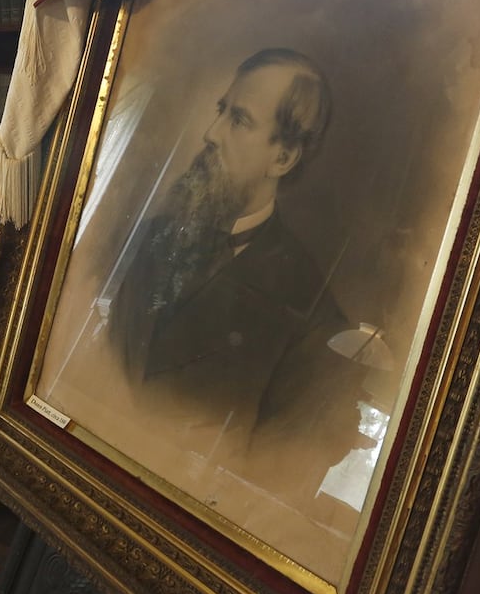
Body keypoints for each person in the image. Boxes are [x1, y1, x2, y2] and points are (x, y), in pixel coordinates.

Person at [108, 49, 361, 477]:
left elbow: (263, 483)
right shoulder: (154, 235)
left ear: (282, 158)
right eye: (220, 111)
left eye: (239, 120)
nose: (210, 133)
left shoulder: (313, 318)